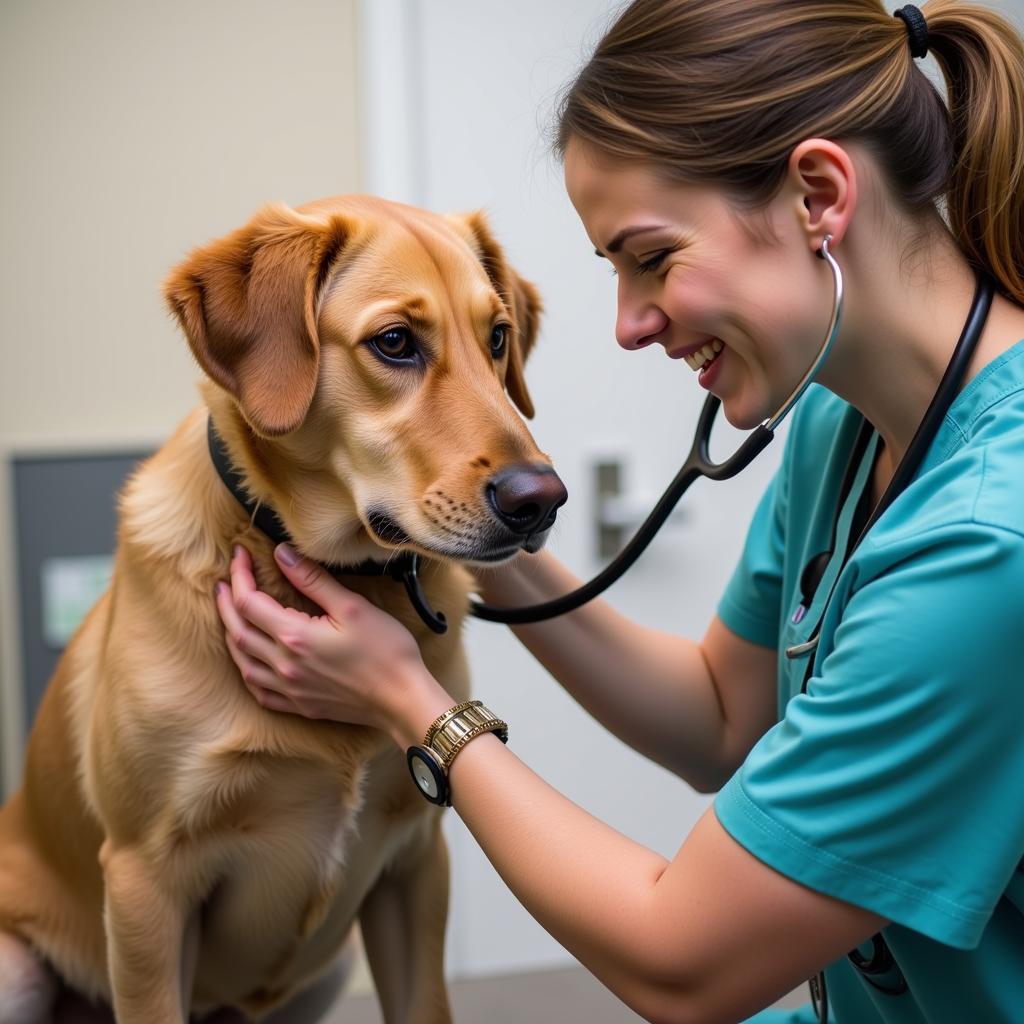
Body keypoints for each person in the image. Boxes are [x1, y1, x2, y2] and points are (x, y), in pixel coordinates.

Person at [215, 1, 1024, 1020]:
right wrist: (472, 517)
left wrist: (416, 704)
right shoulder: (839, 423)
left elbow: (682, 964)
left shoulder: (992, 541)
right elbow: (721, 722)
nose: (629, 325)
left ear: (818, 195)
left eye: (651, 258)